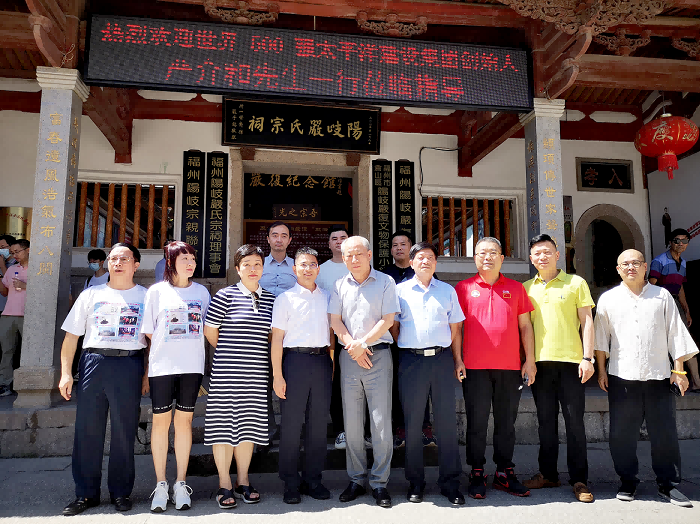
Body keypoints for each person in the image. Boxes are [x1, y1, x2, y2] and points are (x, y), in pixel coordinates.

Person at [595, 249, 698, 508]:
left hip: (659, 376)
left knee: (665, 433)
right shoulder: (608, 299)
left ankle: (668, 484)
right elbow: (600, 339)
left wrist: (679, 370)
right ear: (618, 269)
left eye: (636, 263)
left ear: (644, 267)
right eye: (625, 264)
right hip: (622, 376)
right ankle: (628, 481)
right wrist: (601, 370)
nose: (631, 267)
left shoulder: (661, 296)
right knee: (621, 434)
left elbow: (676, 333)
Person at [59, 243, 148, 515]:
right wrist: (65, 373)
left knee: (124, 430)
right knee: (87, 430)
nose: (117, 263)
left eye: (124, 259)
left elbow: (154, 341)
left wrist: (146, 375)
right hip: (93, 363)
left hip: (129, 364)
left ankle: (121, 492)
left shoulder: (146, 296)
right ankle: (86, 494)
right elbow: (71, 337)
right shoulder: (91, 294)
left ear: (136, 265)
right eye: (113, 258)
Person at [455, 237, 536, 499]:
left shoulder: (516, 288)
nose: (487, 257)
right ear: (474, 258)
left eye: (493, 253)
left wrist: (530, 360)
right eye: (481, 253)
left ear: (502, 258)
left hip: (510, 367)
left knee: (506, 422)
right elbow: (456, 329)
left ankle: (504, 472)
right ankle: (477, 471)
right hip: (474, 368)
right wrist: (457, 360)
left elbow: (525, 326)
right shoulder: (463, 288)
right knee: (476, 422)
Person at [522, 234, 596, 503]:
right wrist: (529, 361)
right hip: (540, 364)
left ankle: (579, 480)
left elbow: (587, 321)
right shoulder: (526, 288)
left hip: (572, 364)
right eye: (537, 253)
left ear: (557, 255)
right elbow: (525, 328)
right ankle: (548, 474)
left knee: (575, 423)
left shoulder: (576, 283)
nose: (542, 257)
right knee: (546, 422)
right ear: (531, 259)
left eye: (547, 252)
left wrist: (588, 358)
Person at [390, 241, 465, 505]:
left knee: (446, 423)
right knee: (412, 424)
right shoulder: (398, 291)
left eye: (430, 257)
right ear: (411, 263)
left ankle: (450, 482)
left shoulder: (447, 291)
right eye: (420, 257)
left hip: (442, 360)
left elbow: (455, 328)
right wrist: (410, 346)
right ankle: (415, 481)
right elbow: (394, 327)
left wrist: (457, 360)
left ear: (436, 262)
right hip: (411, 361)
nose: (425, 261)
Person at [203, 244, 275, 508]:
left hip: (256, 374)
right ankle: (224, 483)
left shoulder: (271, 299)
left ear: (263, 268)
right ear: (237, 268)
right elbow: (210, 332)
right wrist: (231, 353)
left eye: (257, 264)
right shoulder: (225, 296)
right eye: (247, 265)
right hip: (227, 374)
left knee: (248, 427)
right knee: (223, 428)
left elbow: (271, 336)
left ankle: (243, 480)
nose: (252, 269)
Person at [329, 236, 399, 508]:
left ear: (369, 255)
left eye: (359, 254)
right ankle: (356, 479)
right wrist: (353, 346)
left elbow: (388, 319)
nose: (354, 259)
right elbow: (335, 321)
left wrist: (363, 344)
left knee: (380, 422)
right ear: (343, 258)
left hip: (378, 355)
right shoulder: (339, 285)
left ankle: (380, 482)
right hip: (349, 357)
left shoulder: (385, 282)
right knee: (352, 423)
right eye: (348, 255)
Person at [142, 241, 211, 512]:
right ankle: (161, 484)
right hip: (162, 367)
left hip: (192, 366)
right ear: (170, 262)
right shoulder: (156, 292)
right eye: (184, 259)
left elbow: (207, 327)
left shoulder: (202, 292)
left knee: (184, 422)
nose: (190, 263)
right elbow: (149, 331)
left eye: (192, 258)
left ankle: (181, 482)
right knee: (161, 423)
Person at [271, 247, 333, 504]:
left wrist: (332, 366)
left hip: (322, 362)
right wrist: (277, 375)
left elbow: (332, 335)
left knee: (318, 425)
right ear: (294, 269)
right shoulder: (285, 299)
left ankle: (313, 479)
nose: (308, 269)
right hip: (294, 361)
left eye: (312, 264)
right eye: (303, 265)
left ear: (318, 268)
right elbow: (277, 339)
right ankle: (290, 482)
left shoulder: (328, 297)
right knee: (291, 425)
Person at [382, 231, 434, 449]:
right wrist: (398, 339)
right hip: (394, 342)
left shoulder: (424, 272)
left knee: (424, 386)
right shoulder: (385, 276)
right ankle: (401, 427)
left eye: (403, 244)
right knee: (397, 386)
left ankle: (425, 427)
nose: (399, 248)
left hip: (420, 342)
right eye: (395, 245)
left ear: (411, 249)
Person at [648, 228, 700, 390]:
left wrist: (687, 311)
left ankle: (696, 383)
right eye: (677, 240)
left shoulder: (683, 263)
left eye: (685, 240)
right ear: (670, 242)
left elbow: (680, 288)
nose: (681, 244)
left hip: (676, 302)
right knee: (663, 341)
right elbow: (651, 285)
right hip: (661, 303)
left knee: (685, 340)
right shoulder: (659, 261)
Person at [316, 225, 350, 450]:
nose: (339, 242)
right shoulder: (321, 270)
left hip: (358, 335)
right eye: (334, 239)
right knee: (336, 383)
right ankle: (341, 430)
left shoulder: (358, 266)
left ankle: (362, 431)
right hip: (330, 335)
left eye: (343, 238)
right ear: (328, 244)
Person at [0, 239, 29, 397]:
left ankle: (28, 383)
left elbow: (45, 291)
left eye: (17, 252)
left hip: (27, 315)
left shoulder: (39, 269)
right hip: (8, 314)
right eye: (12, 253)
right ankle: (5, 383)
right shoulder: (11, 269)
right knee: (7, 351)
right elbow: (4, 292)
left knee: (28, 351)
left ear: (28, 250)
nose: (14, 255)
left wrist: (26, 286)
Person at [259, 221, 296, 296]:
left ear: (289, 240)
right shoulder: (259, 264)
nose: (279, 240)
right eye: (275, 236)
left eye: (284, 236)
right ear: (268, 239)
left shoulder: (297, 266)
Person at [0, 234, 17, 315]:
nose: (1, 250)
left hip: (9, 308)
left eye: (3, 247)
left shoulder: (17, 263)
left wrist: (2, 266)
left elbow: (10, 281)